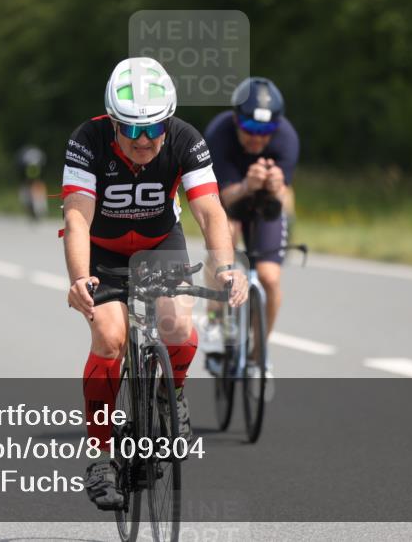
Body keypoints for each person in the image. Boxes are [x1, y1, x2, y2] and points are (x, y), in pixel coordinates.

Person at [62, 57, 248, 510]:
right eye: (132, 130)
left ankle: (173, 394)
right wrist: (79, 278)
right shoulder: (88, 141)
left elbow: (209, 210)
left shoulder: (186, 139)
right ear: (112, 122)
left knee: (178, 328)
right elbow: (77, 217)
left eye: (154, 129)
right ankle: (101, 455)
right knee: (109, 337)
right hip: (102, 252)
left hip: (160, 241)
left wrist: (224, 268)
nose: (144, 141)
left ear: (168, 121)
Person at [202, 77, 299, 382]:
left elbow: (283, 198)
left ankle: (259, 356)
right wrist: (246, 185)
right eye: (251, 130)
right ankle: (216, 324)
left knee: (269, 277)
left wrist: (275, 187)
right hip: (229, 202)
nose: (258, 140)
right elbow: (216, 197)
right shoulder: (219, 134)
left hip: (264, 207)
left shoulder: (286, 138)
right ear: (235, 120)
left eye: (265, 132)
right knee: (223, 245)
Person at [15, 145, 47, 220]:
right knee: (26, 189)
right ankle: (33, 207)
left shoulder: (38, 159)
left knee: (37, 184)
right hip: (24, 171)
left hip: (35, 170)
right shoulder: (22, 161)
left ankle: (39, 206)